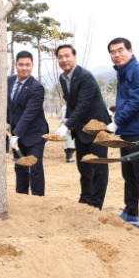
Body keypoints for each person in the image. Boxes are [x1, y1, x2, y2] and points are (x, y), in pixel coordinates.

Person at [107, 37, 139, 231]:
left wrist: (115, 122)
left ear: (130, 50)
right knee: (128, 174)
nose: (117, 55)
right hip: (126, 131)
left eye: (120, 50)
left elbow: (135, 102)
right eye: (113, 52)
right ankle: (131, 210)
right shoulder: (123, 72)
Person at [55, 44, 111, 210]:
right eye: (60, 57)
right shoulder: (62, 78)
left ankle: (96, 206)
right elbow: (71, 103)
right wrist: (68, 120)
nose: (64, 60)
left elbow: (83, 104)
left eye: (67, 56)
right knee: (83, 165)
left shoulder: (86, 77)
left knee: (99, 166)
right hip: (80, 128)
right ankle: (85, 199)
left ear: (75, 57)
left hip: (97, 126)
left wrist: (67, 126)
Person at [7, 51, 49, 196]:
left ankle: (38, 201)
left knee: (35, 167)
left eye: (27, 65)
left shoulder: (36, 87)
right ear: (16, 65)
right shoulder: (8, 81)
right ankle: (21, 197)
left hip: (35, 133)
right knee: (20, 167)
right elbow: (7, 106)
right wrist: (6, 124)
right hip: (16, 133)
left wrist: (16, 133)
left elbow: (29, 114)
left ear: (32, 66)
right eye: (21, 64)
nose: (24, 68)